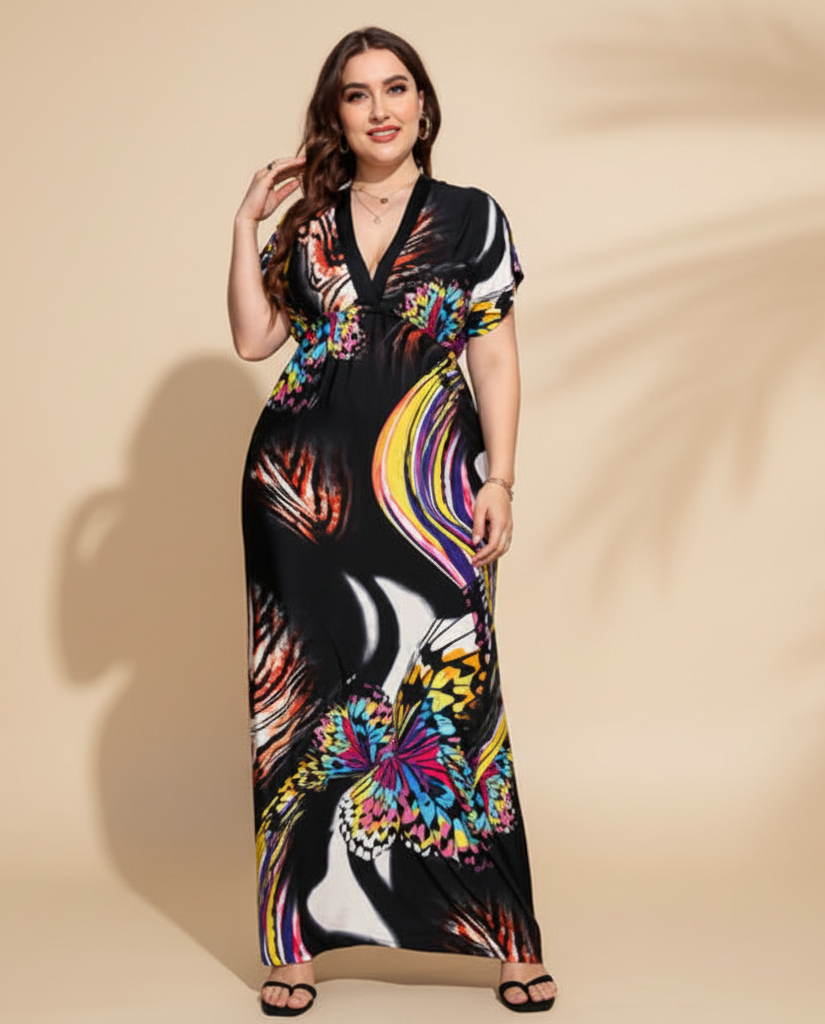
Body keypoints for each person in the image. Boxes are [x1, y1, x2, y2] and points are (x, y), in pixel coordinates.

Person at [228, 26, 557, 1017]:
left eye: (396, 87)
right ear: (334, 115)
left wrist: (501, 478)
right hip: (299, 494)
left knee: (457, 698)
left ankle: (505, 935)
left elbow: (493, 355)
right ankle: (293, 943)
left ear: (423, 103)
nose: (380, 108)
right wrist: (246, 223)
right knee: (301, 713)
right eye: (357, 93)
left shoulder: (470, 217)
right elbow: (255, 338)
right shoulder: (308, 222)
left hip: (430, 494)